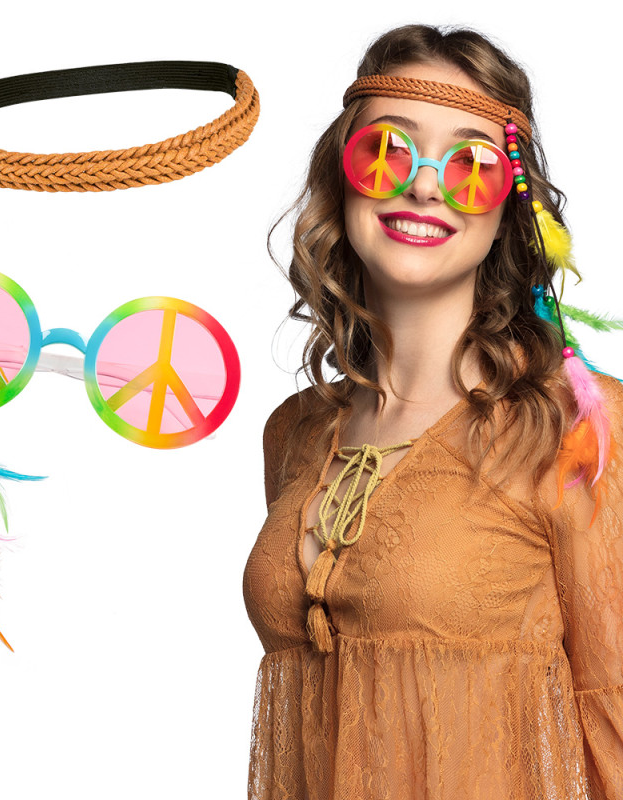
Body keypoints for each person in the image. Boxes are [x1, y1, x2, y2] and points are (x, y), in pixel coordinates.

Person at [243, 24, 623, 800]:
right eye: (388, 151)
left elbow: (612, 708)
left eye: (471, 165)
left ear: (510, 208)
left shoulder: (579, 428)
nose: (424, 187)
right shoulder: (295, 431)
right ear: (342, 177)